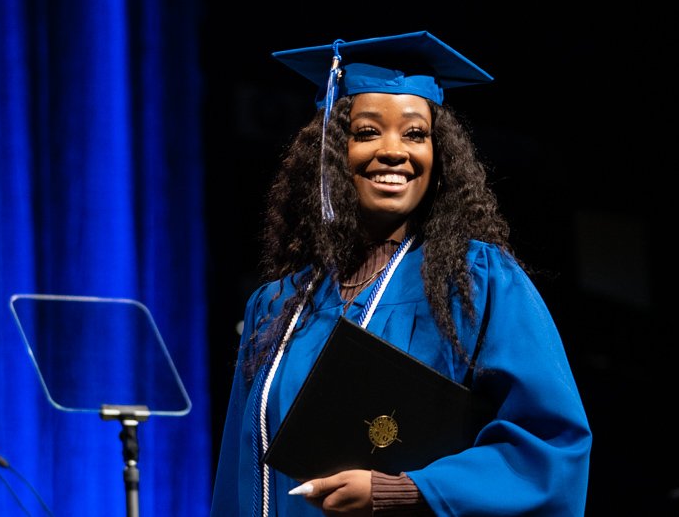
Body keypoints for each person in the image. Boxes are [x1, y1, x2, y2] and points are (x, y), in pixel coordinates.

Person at [209, 31, 592, 516]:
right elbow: (239, 473)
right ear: (329, 154)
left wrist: (406, 491)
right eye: (367, 132)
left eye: (415, 134)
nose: (394, 151)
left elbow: (550, 445)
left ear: (440, 155)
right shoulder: (279, 303)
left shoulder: (476, 280)